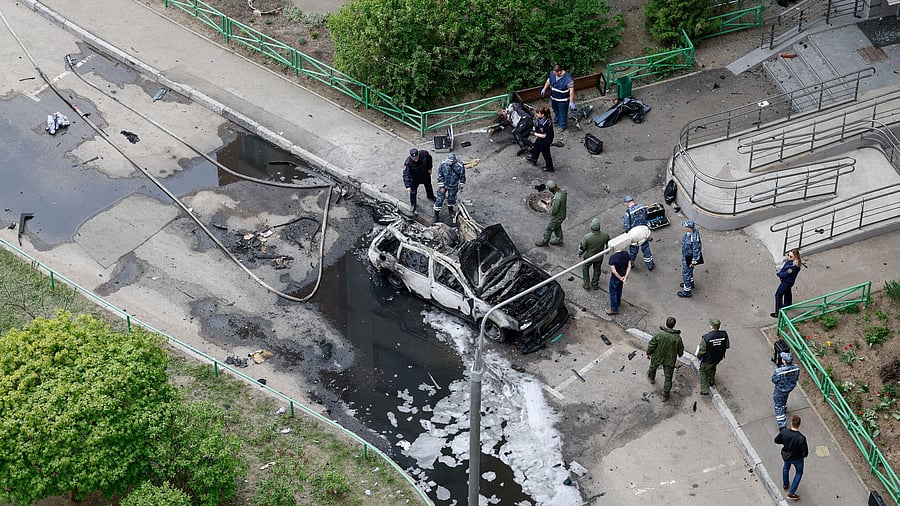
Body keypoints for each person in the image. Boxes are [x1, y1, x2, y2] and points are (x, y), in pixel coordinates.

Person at [646, 316, 684, 401]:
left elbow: (652, 344)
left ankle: (651, 378)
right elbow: (680, 349)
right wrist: (680, 354)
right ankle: (665, 395)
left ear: (666, 323)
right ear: (674, 325)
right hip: (670, 360)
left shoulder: (660, 334)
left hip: (657, 356)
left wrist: (648, 352)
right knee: (668, 378)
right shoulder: (677, 338)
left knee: (653, 367)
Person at [774, 414, 808, 501]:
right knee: (799, 473)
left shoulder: (784, 432)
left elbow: (776, 440)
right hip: (797, 458)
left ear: (791, 423)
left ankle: (785, 485)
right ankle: (792, 493)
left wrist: (785, 444)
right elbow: (805, 453)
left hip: (786, 455)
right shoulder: (801, 438)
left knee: (786, 468)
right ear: (799, 424)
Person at [697, 318, 729, 395]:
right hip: (718, 357)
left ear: (711, 326)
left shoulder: (706, 338)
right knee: (713, 367)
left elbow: (702, 351)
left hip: (708, 359)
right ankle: (711, 381)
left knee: (703, 371)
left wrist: (698, 356)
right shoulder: (724, 334)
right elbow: (727, 346)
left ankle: (704, 390)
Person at [540, 64, 576, 131]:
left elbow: (571, 91)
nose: (553, 73)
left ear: (559, 72)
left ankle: (562, 125)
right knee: (555, 109)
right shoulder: (553, 74)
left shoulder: (568, 79)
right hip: (553, 97)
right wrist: (544, 88)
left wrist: (571, 102)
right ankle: (557, 119)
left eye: (554, 72)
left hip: (562, 100)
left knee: (562, 113)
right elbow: (549, 80)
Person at [622, 195, 655, 270]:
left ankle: (630, 264)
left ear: (627, 203)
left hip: (635, 235)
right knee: (646, 249)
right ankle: (650, 265)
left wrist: (626, 233)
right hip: (644, 232)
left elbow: (626, 226)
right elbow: (647, 217)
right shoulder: (642, 207)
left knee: (633, 251)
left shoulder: (628, 213)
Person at [578, 218, 610, 290]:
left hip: (589, 257)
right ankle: (595, 284)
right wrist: (607, 249)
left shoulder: (587, 237)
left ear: (591, 227)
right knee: (597, 270)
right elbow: (609, 243)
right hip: (599, 257)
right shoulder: (605, 235)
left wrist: (580, 253)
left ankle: (586, 283)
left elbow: (582, 247)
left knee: (585, 267)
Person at [433, 153, 466, 222]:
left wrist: (461, 185)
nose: (449, 163)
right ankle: (436, 214)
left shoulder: (460, 165)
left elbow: (462, 176)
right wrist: (441, 186)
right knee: (439, 199)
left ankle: (450, 209)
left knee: (451, 199)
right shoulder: (444, 163)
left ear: (454, 160)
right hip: (444, 185)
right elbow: (440, 174)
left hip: (453, 186)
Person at [771, 352, 801, 429]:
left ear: (784, 361)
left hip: (780, 390)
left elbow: (774, 380)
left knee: (778, 405)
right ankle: (784, 407)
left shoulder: (779, 371)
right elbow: (796, 378)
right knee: (784, 398)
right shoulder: (796, 368)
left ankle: (782, 425)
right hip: (790, 388)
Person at [771, 248, 802, 318]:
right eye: (788, 255)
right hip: (788, 282)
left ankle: (778, 313)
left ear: (795, 257)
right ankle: (788, 304)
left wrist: (778, 274)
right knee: (787, 292)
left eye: (791, 256)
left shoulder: (793, 267)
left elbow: (786, 274)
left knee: (778, 295)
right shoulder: (792, 262)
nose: (789, 257)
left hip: (786, 282)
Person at [402, 148, 435, 213]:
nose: (416, 159)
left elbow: (429, 159)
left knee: (428, 186)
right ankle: (413, 204)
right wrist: (407, 186)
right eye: (414, 158)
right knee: (413, 192)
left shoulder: (424, 154)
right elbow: (406, 174)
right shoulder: (408, 162)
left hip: (425, 175)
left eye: (416, 157)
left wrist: (429, 168)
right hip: (414, 179)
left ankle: (431, 196)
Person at [535, 180, 566, 246]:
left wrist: (545, 207)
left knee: (549, 228)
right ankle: (559, 240)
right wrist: (551, 201)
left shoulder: (557, 199)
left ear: (550, 189)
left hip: (556, 217)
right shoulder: (563, 192)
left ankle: (544, 241)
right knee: (556, 227)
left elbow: (553, 212)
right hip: (562, 214)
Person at [677, 220, 702, 298]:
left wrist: (694, 261)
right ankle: (690, 283)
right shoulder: (691, 233)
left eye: (686, 227)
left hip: (689, 258)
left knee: (686, 274)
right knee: (689, 272)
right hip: (688, 256)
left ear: (689, 228)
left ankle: (687, 292)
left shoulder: (693, 238)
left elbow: (696, 249)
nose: (684, 228)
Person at [526, 107, 554, 172]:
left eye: (538, 113)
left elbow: (543, 135)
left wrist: (533, 133)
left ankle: (550, 167)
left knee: (546, 153)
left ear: (543, 114)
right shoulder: (544, 119)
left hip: (545, 140)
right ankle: (534, 158)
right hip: (542, 138)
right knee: (536, 146)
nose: (536, 114)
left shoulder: (544, 124)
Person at [606, 245, 631, 315]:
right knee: (619, 290)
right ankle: (618, 302)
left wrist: (620, 278)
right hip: (623, 276)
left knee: (613, 292)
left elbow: (614, 271)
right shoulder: (626, 254)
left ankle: (614, 309)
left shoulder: (613, 258)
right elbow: (629, 266)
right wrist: (625, 277)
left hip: (615, 278)